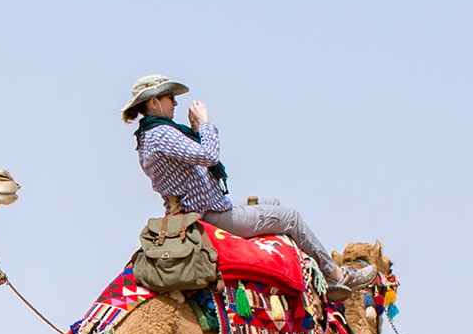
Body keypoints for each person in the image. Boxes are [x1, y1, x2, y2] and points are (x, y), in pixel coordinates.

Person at [122, 74, 371, 292]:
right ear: (154, 102)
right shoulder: (161, 134)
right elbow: (209, 156)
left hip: (198, 212)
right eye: (169, 97)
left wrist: (197, 129)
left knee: (272, 203)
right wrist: (205, 123)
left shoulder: (151, 135)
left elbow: (195, 159)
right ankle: (337, 276)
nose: (175, 102)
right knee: (291, 218)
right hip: (209, 215)